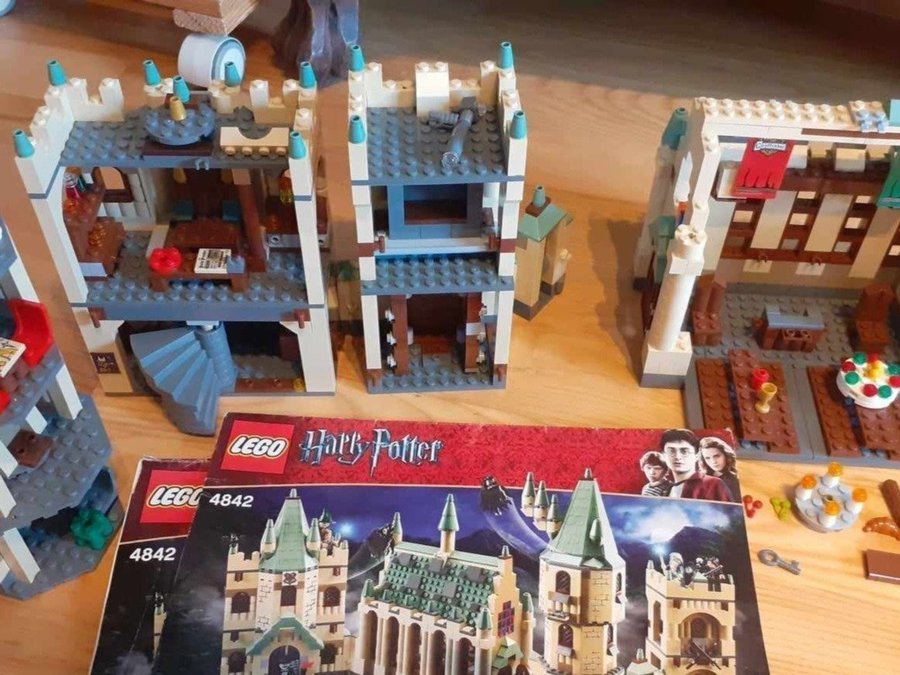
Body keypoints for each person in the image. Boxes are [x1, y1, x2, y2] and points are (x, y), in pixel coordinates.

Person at [659, 429, 731, 502]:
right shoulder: (666, 490)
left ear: (696, 456)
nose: (677, 457)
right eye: (671, 451)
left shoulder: (712, 484)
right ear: (663, 455)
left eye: (684, 451)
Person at [699, 436, 740, 502]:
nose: (713, 461)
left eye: (717, 456)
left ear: (726, 455)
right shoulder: (701, 478)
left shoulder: (735, 479)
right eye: (707, 458)